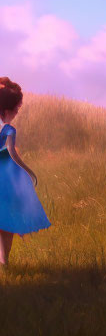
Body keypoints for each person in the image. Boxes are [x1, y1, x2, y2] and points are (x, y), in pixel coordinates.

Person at [0, 77, 51, 266]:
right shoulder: (9, 129)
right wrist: (29, 171)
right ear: (7, 110)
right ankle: (4, 261)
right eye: (15, 110)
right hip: (6, 177)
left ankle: (3, 262)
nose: (17, 112)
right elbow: (12, 153)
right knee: (7, 223)